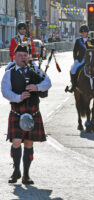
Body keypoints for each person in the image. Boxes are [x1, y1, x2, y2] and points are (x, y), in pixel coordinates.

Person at [1, 45, 52, 184]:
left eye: (25, 55)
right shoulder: (9, 73)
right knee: (16, 142)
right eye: (20, 55)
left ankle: (26, 175)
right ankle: (16, 170)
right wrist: (18, 97)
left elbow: (48, 83)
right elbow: (5, 91)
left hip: (33, 111)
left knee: (29, 143)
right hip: (17, 112)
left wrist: (37, 87)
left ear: (28, 56)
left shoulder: (35, 70)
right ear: (15, 57)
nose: (23, 58)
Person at [68, 25, 94, 93]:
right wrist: (75, 60)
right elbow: (75, 51)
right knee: (72, 70)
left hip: (92, 59)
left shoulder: (92, 40)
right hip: (81, 59)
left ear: (87, 33)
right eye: (82, 32)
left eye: (85, 32)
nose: (83, 34)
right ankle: (73, 85)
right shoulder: (78, 41)